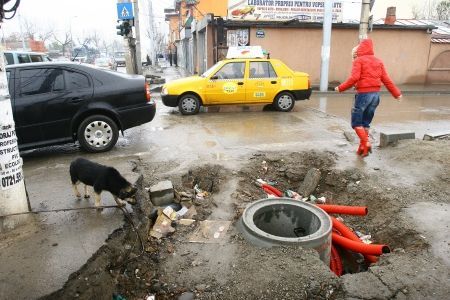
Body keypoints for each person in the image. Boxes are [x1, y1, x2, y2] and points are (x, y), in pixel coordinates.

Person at [335, 38, 402, 157]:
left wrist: (340, 88)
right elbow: (386, 79)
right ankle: (362, 148)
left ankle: (366, 142)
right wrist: (397, 93)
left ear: (358, 51)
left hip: (364, 95)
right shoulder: (378, 61)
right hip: (375, 96)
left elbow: (354, 78)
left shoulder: (359, 61)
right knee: (365, 123)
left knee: (356, 122)